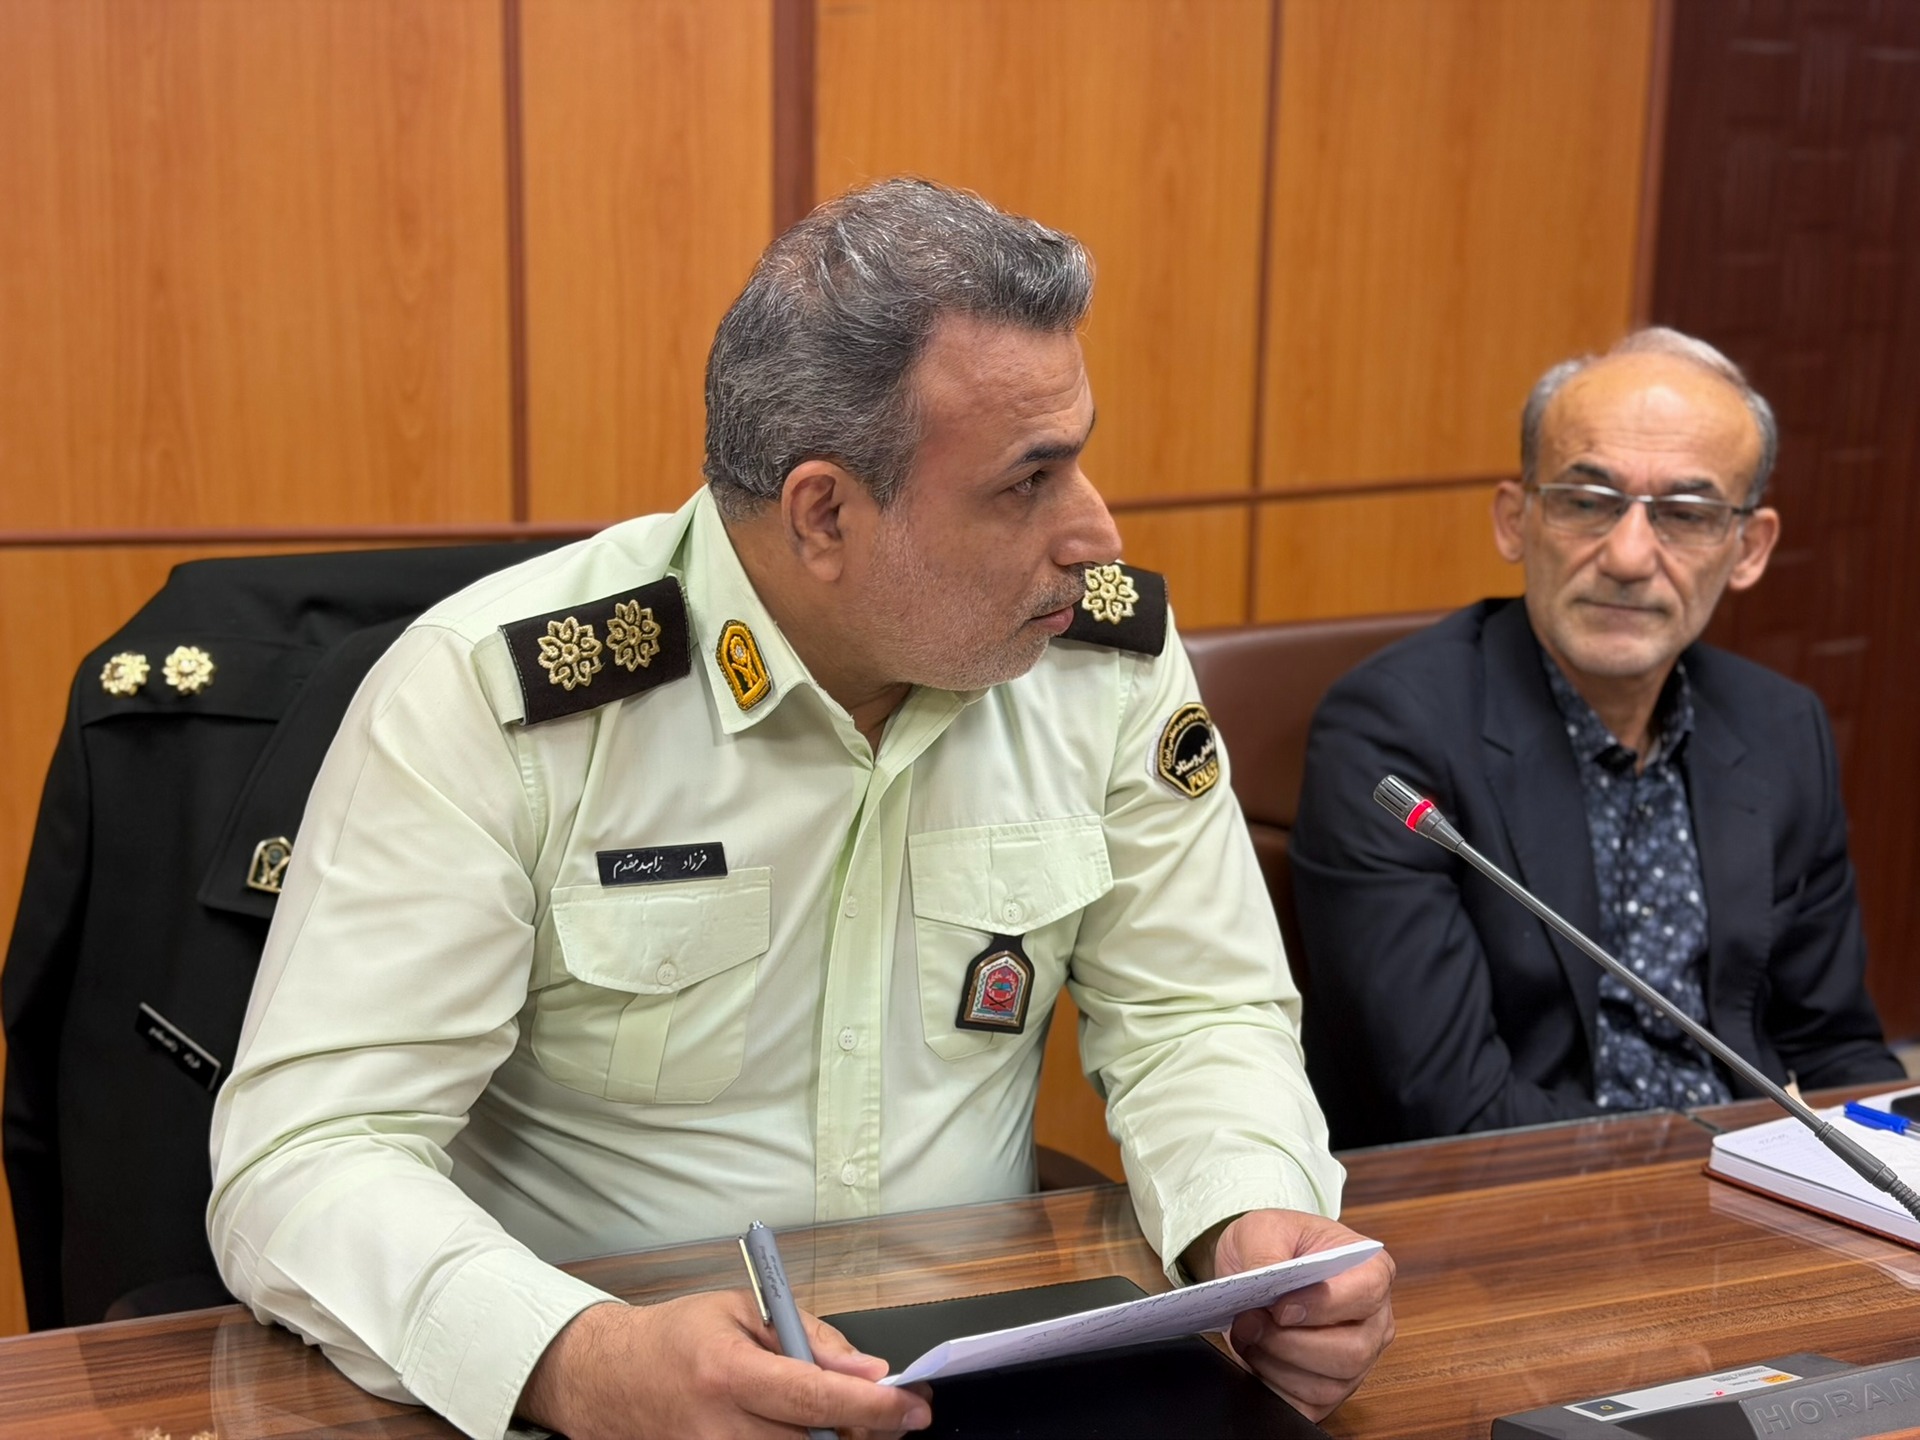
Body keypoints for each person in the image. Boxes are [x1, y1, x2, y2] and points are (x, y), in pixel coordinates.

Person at [208, 179, 1394, 1440]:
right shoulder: (498, 698)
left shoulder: (1098, 670)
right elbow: (309, 1156)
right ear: (824, 513)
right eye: (1028, 482)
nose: (1094, 533)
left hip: (986, 1384)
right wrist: (578, 1360)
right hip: (615, 1405)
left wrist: (1249, 1218)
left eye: (1079, 457)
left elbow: (1194, 1013)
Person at [1292, 328, 1905, 1150]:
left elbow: (1836, 1051)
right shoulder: (1391, 735)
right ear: (1516, 520)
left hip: (1761, 1182)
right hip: (1525, 1197)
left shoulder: (1781, 726)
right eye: (1587, 502)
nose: (1628, 556)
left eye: (1685, 515)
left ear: (1748, 548)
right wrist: (1724, 1164)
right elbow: (1450, 1109)